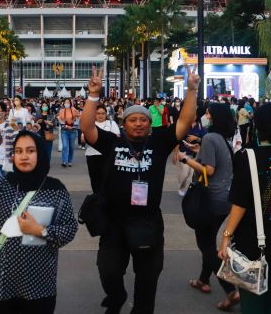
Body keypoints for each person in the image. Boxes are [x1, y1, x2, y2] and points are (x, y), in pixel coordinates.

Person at [81, 66, 199, 314]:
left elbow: (185, 121)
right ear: (124, 125)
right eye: (132, 120)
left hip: (148, 223)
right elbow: (88, 129)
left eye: (143, 120)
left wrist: (191, 90)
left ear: (149, 124)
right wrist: (93, 96)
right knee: (108, 271)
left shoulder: (159, 142)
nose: (138, 124)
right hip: (114, 222)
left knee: (148, 281)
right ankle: (117, 295)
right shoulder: (113, 143)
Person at [0, 130, 78, 313]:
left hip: (39, 283)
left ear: (40, 153)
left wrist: (40, 230)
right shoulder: (3, 183)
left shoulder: (55, 189)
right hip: (3, 281)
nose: (24, 156)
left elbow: (70, 228)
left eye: (30, 151)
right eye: (19, 151)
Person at [218, 103, 271, 314]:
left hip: (252, 242)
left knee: (253, 300)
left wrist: (227, 235)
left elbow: (240, 203)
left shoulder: (247, 157)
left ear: (259, 126)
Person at [177, 103, 238, 311]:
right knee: (208, 240)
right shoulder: (220, 138)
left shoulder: (211, 138)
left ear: (215, 117)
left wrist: (186, 158)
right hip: (224, 199)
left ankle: (230, 289)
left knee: (206, 245)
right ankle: (204, 280)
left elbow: (209, 170)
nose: (206, 115)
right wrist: (199, 150)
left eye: (209, 113)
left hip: (210, 199)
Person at [85, 105, 121, 195]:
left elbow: (117, 137)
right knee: (95, 179)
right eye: (98, 113)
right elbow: (83, 138)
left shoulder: (112, 123)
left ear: (106, 114)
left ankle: (106, 199)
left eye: (103, 113)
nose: (100, 115)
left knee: (107, 179)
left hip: (108, 156)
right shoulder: (90, 124)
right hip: (92, 155)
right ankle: (97, 198)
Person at [172, 117, 206, 197]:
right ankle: (181, 187)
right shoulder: (184, 127)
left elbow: (205, 139)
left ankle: (190, 190)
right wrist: (175, 154)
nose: (193, 116)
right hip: (184, 153)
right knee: (185, 173)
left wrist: (196, 138)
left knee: (192, 175)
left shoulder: (201, 127)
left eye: (195, 114)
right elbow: (177, 141)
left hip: (196, 154)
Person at [58, 98, 80, 167]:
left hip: (72, 130)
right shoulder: (61, 110)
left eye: (68, 102)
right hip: (64, 130)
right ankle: (64, 161)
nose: (66, 104)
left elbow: (79, 117)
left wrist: (75, 124)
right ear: (63, 103)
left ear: (70, 103)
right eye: (65, 102)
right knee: (65, 146)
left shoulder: (73, 109)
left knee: (71, 147)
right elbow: (59, 119)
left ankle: (70, 161)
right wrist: (66, 126)